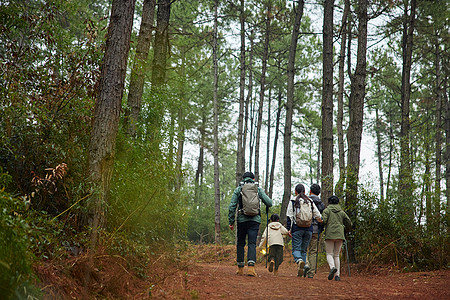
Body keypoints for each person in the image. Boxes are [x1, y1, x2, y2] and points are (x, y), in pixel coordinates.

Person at [228, 171, 273, 276]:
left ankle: (240, 268)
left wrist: (231, 222)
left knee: (240, 243)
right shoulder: (257, 189)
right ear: (253, 179)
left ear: (243, 179)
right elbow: (269, 203)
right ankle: (251, 269)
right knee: (252, 243)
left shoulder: (239, 189)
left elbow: (232, 206)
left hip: (242, 220)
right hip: (254, 220)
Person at [286, 183, 323, 277]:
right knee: (304, 250)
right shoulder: (309, 201)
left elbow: (289, 216)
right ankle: (305, 265)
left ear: (295, 191)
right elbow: (318, 215)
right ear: (305, 191)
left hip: (297, 228)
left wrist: (289, 229)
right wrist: (321, 222)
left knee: (296, 248)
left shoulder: (293, 201)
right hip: (309, 229)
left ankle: (299, 261)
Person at [322, 195, 352, 281]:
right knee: (336, 255)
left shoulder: (327, 211)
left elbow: (323, 221)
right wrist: (345, 229)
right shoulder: (342, 212)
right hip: (340, 235)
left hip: (330, 234)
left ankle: (332, 267)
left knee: (329, 254)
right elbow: (349, 223)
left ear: (329, 202)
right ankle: (337, 275)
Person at [305, 183, 325, 278]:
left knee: (303, 249)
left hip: (305, 227)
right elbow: (322, 218)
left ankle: (306, 264)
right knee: (313, 251)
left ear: (310, 191)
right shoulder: (321, 204)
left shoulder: (305, 201)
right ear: (319, 193)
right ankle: (311, 273)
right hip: (316, 230)